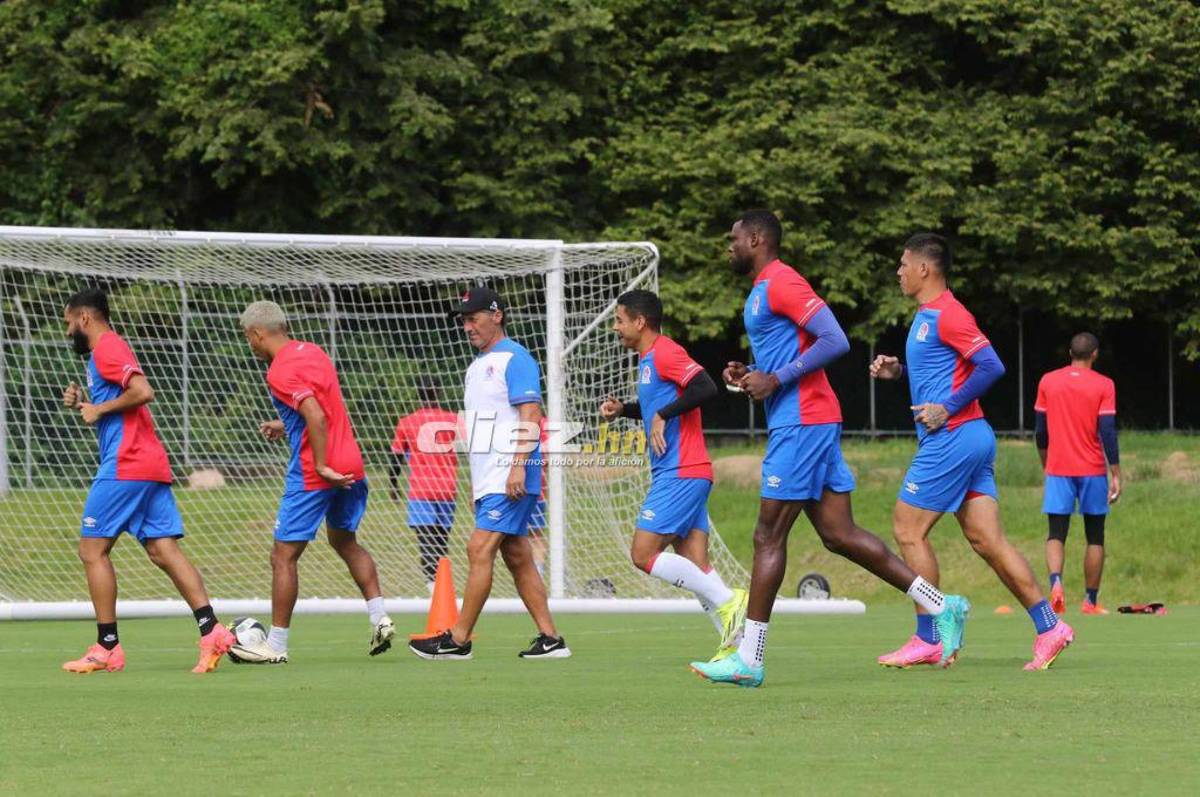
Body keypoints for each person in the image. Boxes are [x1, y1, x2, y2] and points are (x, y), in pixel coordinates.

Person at [691, 211, 967, 688]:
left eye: (733, 238)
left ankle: (749, 659)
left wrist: (777, 378)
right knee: (840, 535)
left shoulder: (782, 281)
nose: (728, 246)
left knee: (767, 537)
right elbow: (787, 354)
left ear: (755, 238)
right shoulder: (760, 290)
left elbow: (835, 339)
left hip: (803, 423)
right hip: (808, 420)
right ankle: (942, 604)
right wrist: (752, 372)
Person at [870, 233, 1074, 670]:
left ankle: (929, 636)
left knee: (908, 529)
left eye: (903, 264)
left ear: (924, 268)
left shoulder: (949, 313)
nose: (899, 271)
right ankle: (1050, 627)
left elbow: (991, 365)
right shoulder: (927, 316)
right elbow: (942, 372)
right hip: (970, 437)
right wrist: (898, 371)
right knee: (988, 540)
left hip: (953, 438)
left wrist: (947, 408)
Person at [59, 287, 235, 674]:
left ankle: (107, 646)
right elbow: (116, 404)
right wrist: (86, 403)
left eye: (68, 322)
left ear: (84, 318)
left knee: (92, 551)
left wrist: (99, 408)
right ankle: (212, 632)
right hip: (147, 463)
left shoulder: (107, 347)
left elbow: (142, 391)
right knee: (161, 549)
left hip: (127, 464)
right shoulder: (104, 353)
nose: (68, 330)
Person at [408, 287, 569, 660]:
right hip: (491, 480)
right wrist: (477, 484)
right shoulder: (476, 366)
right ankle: (551, 639)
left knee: (478, 547)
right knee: (517, 555)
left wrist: (518, 466)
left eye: (473, 318)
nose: (467, 327)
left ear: (497, 316)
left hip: (510, 475)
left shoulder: (515, 358)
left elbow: (531, 414)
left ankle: (458, 640)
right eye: (464, 320)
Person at [231, 300, 394, 663]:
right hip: (351, 462)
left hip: (315, 472)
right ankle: (379, 616)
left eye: (247, 337)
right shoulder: (314, 352)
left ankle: (275, 646)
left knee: (283, 556)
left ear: (257, 333)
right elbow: (324, 407)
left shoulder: (278, 371)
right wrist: (286, 424)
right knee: (345, 541)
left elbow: (316, 415)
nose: (250, 345)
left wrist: (320, 465)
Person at [599, 289, 747, 659]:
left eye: (619, 320)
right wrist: (626, 410)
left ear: (639, 322)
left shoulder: (665, 351)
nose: (615, 327)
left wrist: (663, 415)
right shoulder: (647, 360)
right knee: (697, 566)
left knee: (642, 554)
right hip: (684, 472)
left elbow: (706, 386)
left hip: (681, 472)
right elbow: (659, 404)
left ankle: (730, 600)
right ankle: (737, 653)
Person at [1034, 332, 1120, 615]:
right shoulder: (1104, 384)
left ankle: (1056, 584)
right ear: (1095, 354)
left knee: (1056, 532)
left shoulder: (1048, 381)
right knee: (1095, 536)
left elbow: (1040, 431)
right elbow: (1107, 432)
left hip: (1058, 468)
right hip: (1092, 469)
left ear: (1070, 353)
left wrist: (1046, 463)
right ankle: (1090, 601)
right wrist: (1116, 473)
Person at [389, 383, 459, 592]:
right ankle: (441, 588)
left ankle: (434, 590)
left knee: (426, 542)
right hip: (447, 489)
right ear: (439, 392)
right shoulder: (453, 420)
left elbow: (396, 458)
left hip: (421, 490)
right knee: (441, 541)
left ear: (417, 394)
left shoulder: (407, 422)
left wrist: (393, 484)